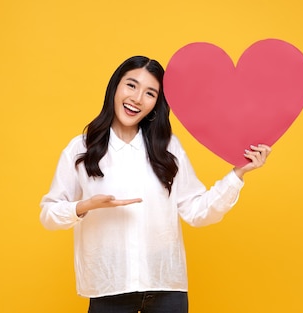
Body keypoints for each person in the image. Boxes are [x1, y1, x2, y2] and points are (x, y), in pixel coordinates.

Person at [39, 55, 271, 313]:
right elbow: (48, 214)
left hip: (166, 288)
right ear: (115, 87)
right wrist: (84, 206)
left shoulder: (168, 147)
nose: (137, 98)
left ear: (156, 104)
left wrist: (237, 174)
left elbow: (197, 211)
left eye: (150, 93)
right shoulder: (81, 149)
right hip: (110, 289)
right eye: (131, 85)